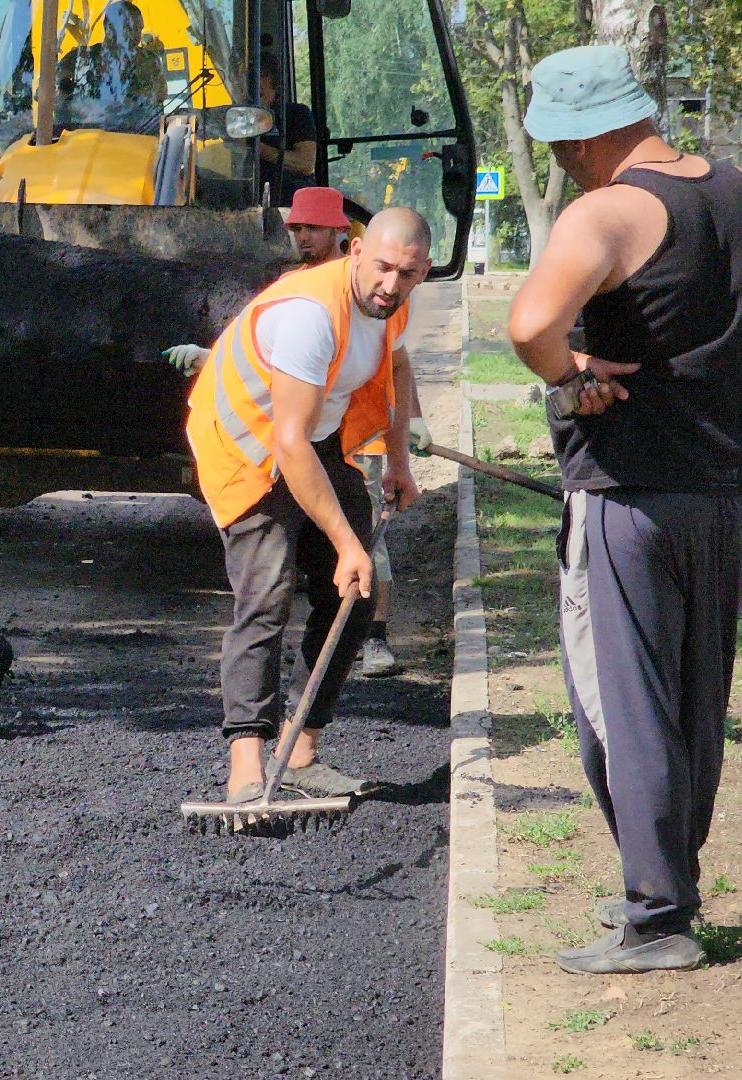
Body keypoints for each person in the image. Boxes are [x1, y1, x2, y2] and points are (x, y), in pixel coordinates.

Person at [508, 46, 742, 975]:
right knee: (694, 701)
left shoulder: (608, 211)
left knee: (622, 707)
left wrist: (571, 373)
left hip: (629, 498)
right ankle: (667, 876)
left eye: (558, 143)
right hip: (731, 497)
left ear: (588, 131)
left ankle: (657, 917)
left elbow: (528, 325)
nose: (559, 159)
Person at [184, 208, 431, 805]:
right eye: (382, 268)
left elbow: (395, 368)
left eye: (407, 273)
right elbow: (286, 442)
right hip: (251, 444)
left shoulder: (390, 305)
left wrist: (398, 462)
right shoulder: (309, 316)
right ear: (355, 250)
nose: (391, 285)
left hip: (314, 438)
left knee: (355, 592)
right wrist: (346, 542)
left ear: (423, 270)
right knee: (266, 596)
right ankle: (246, 765)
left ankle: (299, 753)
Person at [256, 54, 318, 206]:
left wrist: (256, 148)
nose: (248, 98)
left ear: (274, 90)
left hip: (291, 200)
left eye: (259, 94)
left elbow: (305, 163)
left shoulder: (295, 114)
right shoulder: (228, 119)